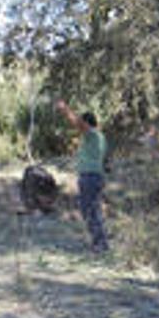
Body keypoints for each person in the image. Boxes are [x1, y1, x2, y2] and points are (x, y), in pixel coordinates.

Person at [56, 99, 110, 254]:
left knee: (89, 210)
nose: (80, 127)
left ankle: (101, 244)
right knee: (92, 210)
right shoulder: (101, 137)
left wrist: (64, 109)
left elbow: (76, 123)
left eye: (83, 123)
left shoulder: (92, 134)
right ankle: (99, 243)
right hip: (95, 177)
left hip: (90, 177)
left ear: (87, 123)